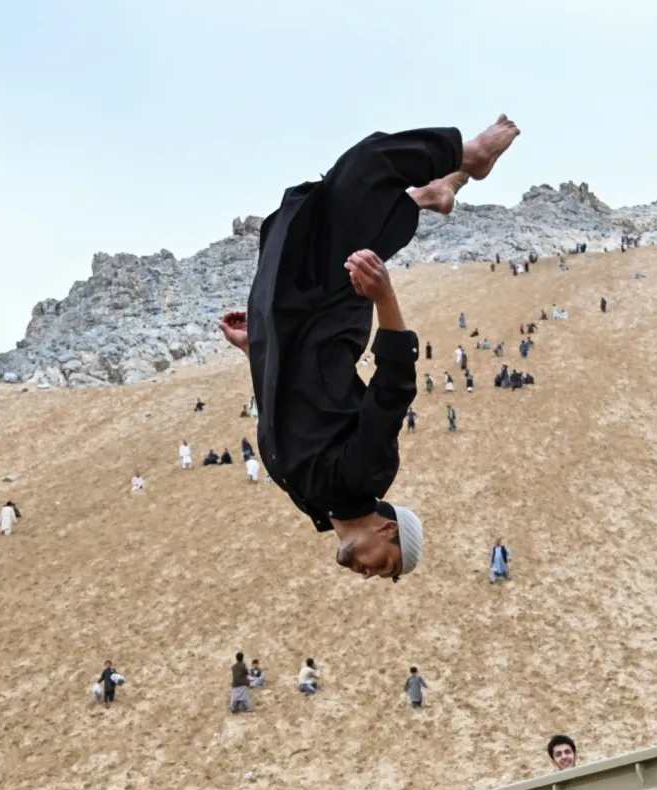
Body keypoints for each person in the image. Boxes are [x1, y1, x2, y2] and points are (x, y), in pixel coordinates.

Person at [218, 115, 520, 583]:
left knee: (305, 212)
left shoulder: (311, 502)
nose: (370, 573)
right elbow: (393, 389)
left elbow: (292, 401)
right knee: (367, 167)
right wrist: (384, 297)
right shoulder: (368, 476)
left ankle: (427, 196)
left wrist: (253, 349)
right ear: (388, 527)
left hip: (280, 316)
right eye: (388, 566)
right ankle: (469, 156)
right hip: (323, 311)